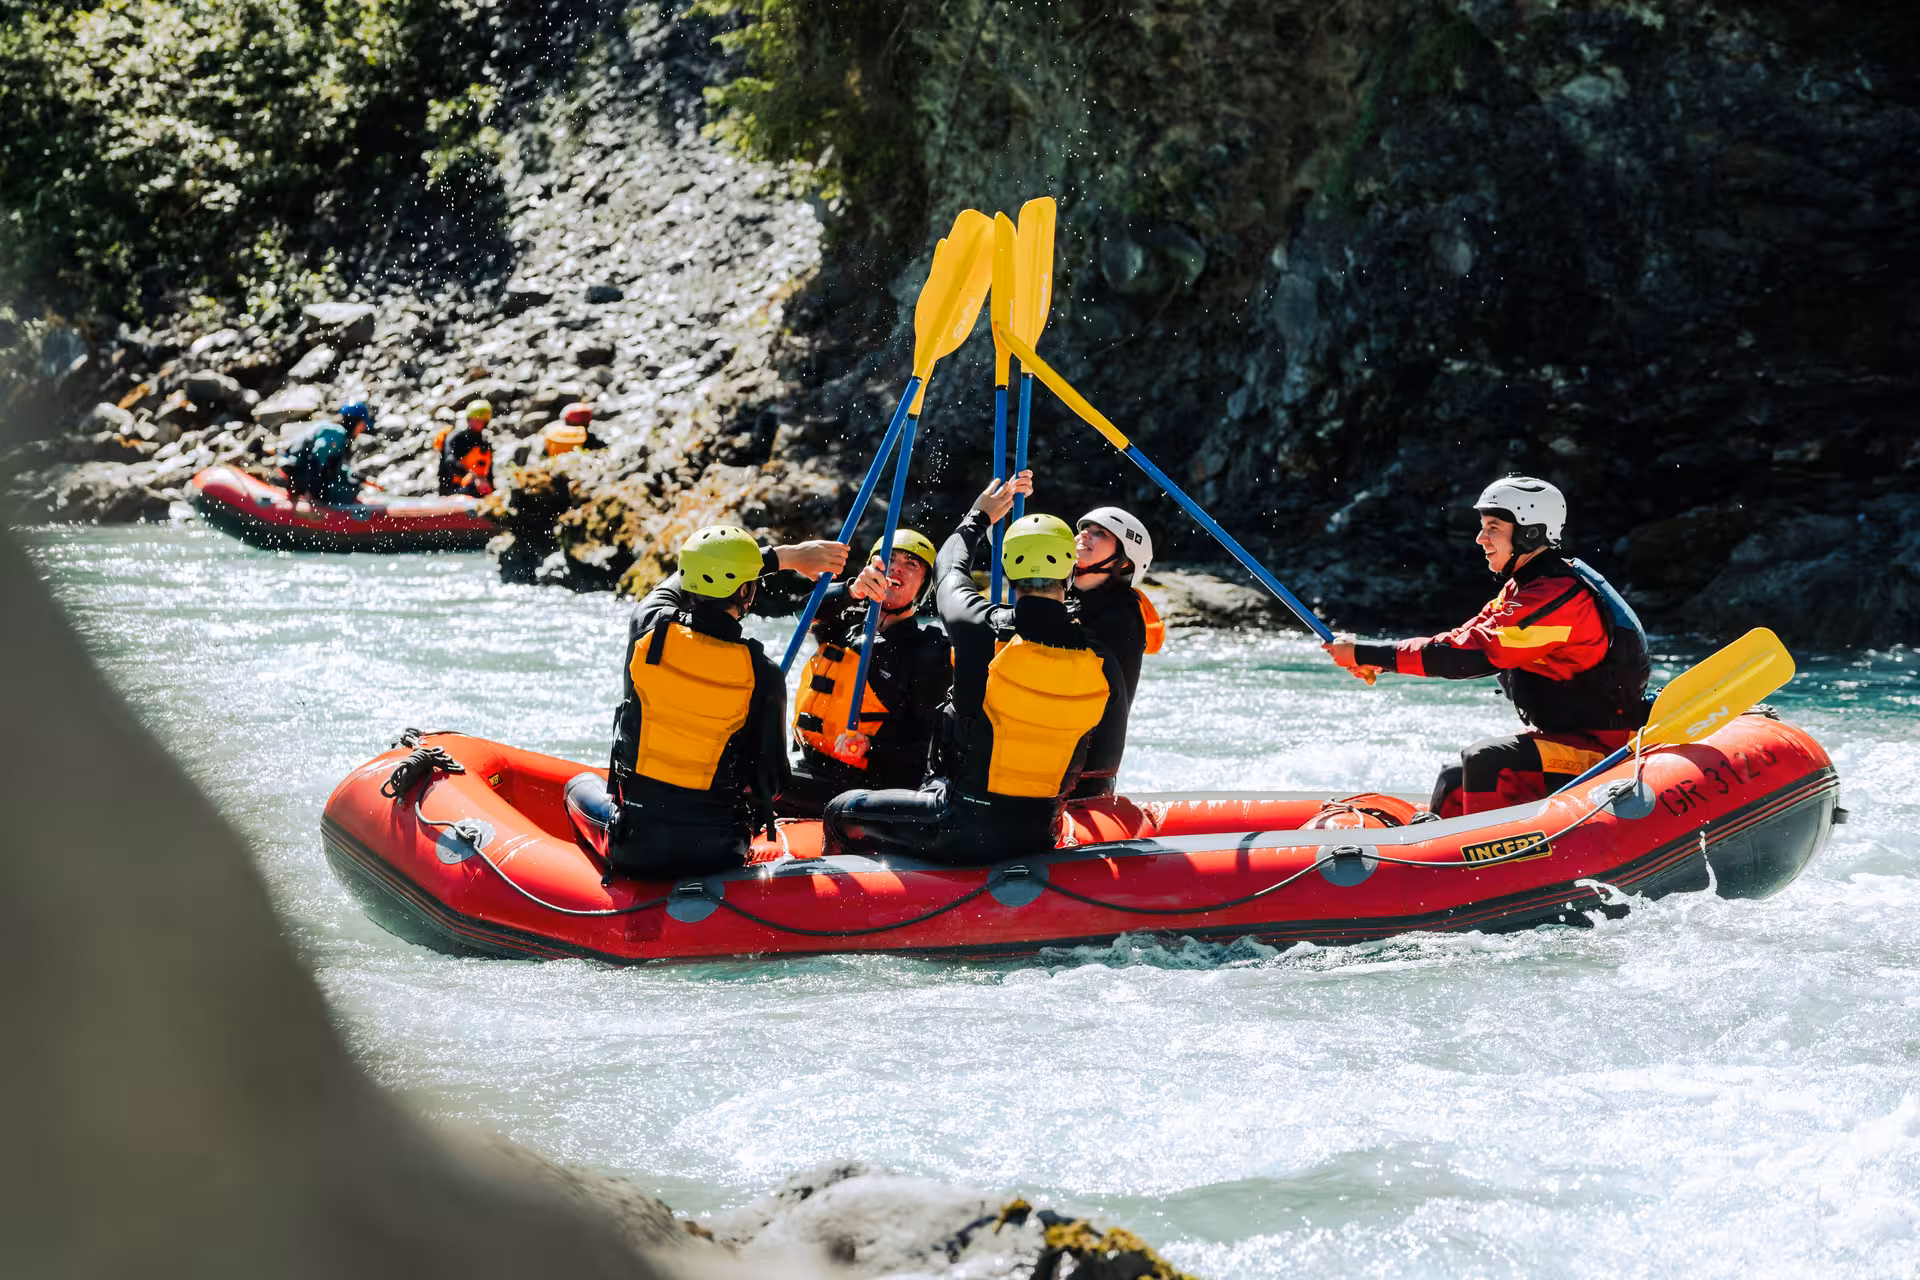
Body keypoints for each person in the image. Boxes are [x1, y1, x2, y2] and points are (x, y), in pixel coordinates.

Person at [822, 473, 1127, 864]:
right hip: (1043, 830)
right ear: (1070, 571)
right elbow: (1102, 764)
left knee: (839, 811)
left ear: (1008, 569)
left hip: (958, 826)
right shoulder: (1103, 659)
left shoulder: (978, 626)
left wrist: (978, 517)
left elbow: (949, 568)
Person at [1323, 476, 1650, 816]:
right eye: (1483, 527)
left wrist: (1364, 652)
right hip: (1567, 737)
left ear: (1530, 533)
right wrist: (1377, 659)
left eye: (1493, 528)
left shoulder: (1557, 599)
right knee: (1453, 778)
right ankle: (1437, 845)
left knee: (1486, 760)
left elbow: (1467, 656)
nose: (1481, 538)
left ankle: (1487, 849)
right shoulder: (1523, 588)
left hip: (1604, 747)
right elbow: (1460, 637)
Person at [566, 528, 850, 879]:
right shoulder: (763, 672)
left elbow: (675, 584)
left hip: (637, 846)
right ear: (746, 591)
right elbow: (772, 785)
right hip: (722, 849)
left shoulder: (648, 628)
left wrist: (784, 556)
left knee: (578, 784)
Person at [779, 529, 952, 818]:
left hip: (870, 787)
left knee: (759, 780)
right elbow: (803, 613)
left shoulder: (929, 653)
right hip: (813, 767)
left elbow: (932, 753)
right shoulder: (842, 626)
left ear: (923, 587)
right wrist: (851, 591)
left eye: (911, 564)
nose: (896, 567)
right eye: (889, 559)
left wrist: (873, 748)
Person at [1066, 506, 1164, 797]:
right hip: (1047, 758)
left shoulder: (1122, 615)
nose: (1085, 535)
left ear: (1124, 561)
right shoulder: (1063, 596)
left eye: (1100, 533)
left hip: (1083, 776)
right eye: (1084, 529)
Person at [278, 401, 370, 505]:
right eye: (362, 424)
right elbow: (316, 458)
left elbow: (332, 467)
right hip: (297, 473)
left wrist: (355, 476)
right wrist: (314, 494)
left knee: (349, 485)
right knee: (349, 492)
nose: (364, 428)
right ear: (353, 421)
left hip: (298, 472)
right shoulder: (337, 432)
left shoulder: (332, 428)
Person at [437, 399, 495, 497]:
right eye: (476, 420)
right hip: (454, 490)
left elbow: (489, 474)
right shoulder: (457, 438)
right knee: (471, 487)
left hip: (477, 491)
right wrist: (472, 476)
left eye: (482, 421)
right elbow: (449, 462)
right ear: (469, 420)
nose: (479, 424)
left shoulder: (485, 444)